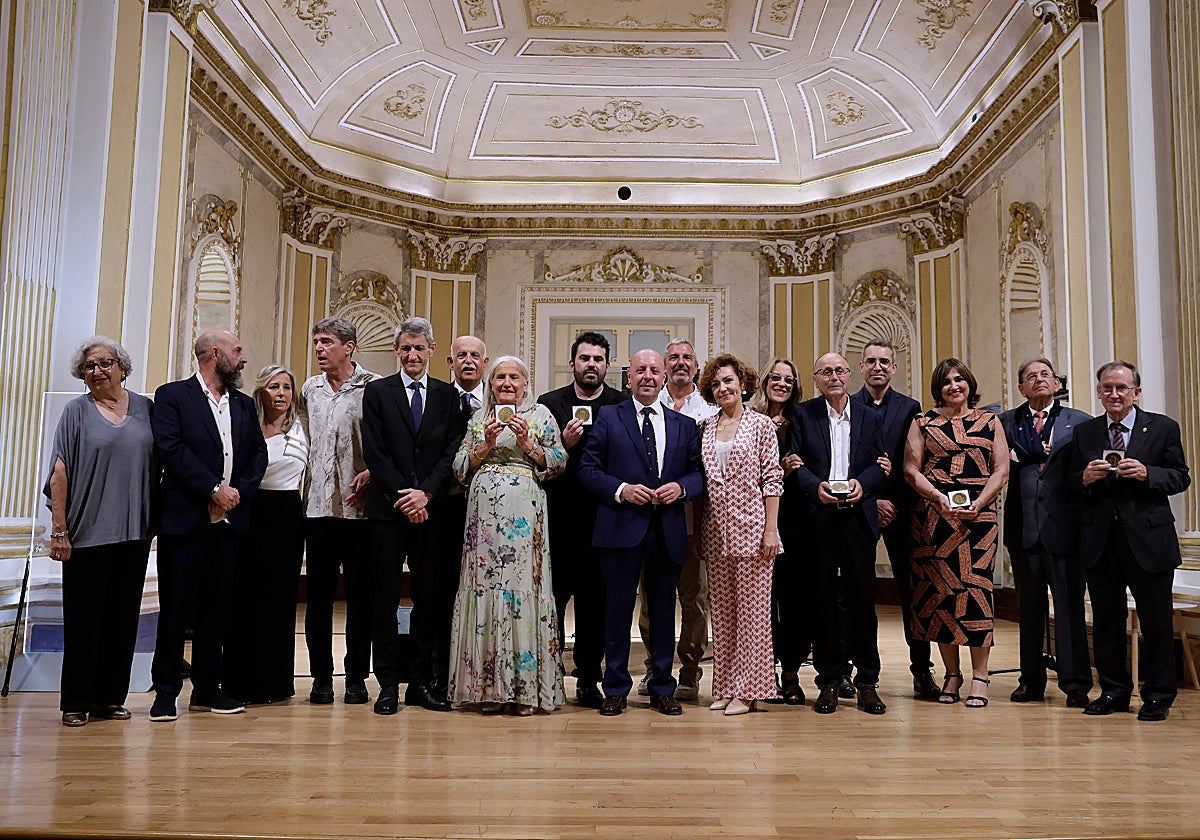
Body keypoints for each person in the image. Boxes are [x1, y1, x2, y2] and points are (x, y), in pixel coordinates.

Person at [578, 348, 705, 716]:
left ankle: (663, 687)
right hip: (620, 527)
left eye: (654, 370)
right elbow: (588, 469)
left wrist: (681, 488)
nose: (648, 376)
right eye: (640, 370)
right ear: (628, 377)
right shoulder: (608, 417)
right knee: (617, 611)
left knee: (664, 612)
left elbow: (698, 475)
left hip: (666, 529)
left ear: (664, 376)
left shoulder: (683, 425)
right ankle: (615, 688)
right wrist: (621, 490)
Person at [149, 329, 267, 722]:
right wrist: (213, 488)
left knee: (217, 609)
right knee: (176, 609)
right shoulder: (172, 396)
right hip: (186, 520)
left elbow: (257, 456)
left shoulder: (245, 404)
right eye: (237, 350)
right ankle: (165, 691)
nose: (243, 357)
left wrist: (238, 493)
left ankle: (206, 688)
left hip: (230, 523)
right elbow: (171, 449)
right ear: (215, 354)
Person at [1069, 360, 1191, 721]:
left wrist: (1147, 473)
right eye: (1107, 387)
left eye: (1122, 388)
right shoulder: (1086, 433)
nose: (1114, 394)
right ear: (1098, 392)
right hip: (1101, 540)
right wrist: (1085, 479)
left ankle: (1158, 695)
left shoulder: (1163, 428)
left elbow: (1180, 477)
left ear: (1136, 392)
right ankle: (1113, 691)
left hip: (1149, 540)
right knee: (1107, 621)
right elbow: (1070, 484)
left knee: (1156, 621)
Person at [44, 336, 156, 727]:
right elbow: (59, 472)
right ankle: (75, 701)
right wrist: (59, 530)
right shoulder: (76, 412)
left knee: (123, 620)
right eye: (89, 366)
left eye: (105, 363)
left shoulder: (146, 408)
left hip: (134, 532)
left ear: (122, 367)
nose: (97, 371)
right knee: (84, 621)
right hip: (87, 533)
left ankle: (109, 698)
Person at [448, 356, 567, 714]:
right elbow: (457, 467)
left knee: (522, 590)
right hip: (483, 518)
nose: (507, 383)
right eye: (500, 377)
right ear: (491, 382)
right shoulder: (478, 419)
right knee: (484, 588)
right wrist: (482, 447)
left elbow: (560, 460)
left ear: (526, 383)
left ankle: (524, 691)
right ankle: (487, 690)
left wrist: (528, 444)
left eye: (514, 377)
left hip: (525, 514)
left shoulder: (541, 415)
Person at [362, 317, 467, 714]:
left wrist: (426, 494)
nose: (412, 355)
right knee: (385, 599)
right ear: (397, 351)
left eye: (419, 348)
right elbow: (375, 451)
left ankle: (420, 683)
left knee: (429, 599)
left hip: (432, 511)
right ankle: (388, 683)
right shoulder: (377, 392)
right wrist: (405, 496)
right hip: (388, 512)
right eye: (405, 348)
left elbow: (451, 454)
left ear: (432, 351)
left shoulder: (447, 396)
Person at [903, 358, 1009, 709]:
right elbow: (910, 470)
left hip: (978, 520)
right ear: (939, 387)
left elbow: (1001, 469)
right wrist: (936, 496)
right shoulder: (923, 422)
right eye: (947, 381)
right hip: (935, 518)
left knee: (976, 593)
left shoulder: (989, 421)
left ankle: (980, 675)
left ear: (969, 383)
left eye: (960, 379)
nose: (954, 386)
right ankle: (952, 674)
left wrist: (979, 502)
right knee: (941, 594)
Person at [787, 353, 888, 715]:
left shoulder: (871, 416)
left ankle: (866, 682)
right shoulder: (804, 414)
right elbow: (794, 463)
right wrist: (816, 488)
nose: (834, 377)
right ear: (815, 378)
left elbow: (881, 463)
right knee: (822, 600)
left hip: (858, 518)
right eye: (826, 371)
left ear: (849, 375)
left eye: (840, 371)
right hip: (820, 518)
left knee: (862, 601)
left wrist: (864, 483)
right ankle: (828, 680)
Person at [537, 331, 626, 707]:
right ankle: (547, 676)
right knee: (553, 603)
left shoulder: (620, 405)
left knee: (595, 607)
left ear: (607, 366)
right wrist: (564, 446)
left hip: (603, 520)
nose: (591, 365)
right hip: (557, 520)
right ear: (572, 363)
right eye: (585, 358)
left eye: (598, 359)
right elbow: (539, 457)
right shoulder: (549, 403)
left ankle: (589, 678)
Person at [998, 357, 1092, 708]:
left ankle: (1076, 682)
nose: (1038, 380)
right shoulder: (1006, 422)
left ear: (1056, 383)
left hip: (1066, 530)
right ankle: (1031, 680)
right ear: (1020, 387)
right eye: (1030, 377)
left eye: (1045, 375)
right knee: (1029, 609)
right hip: (1024, 530)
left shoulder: (1079, 423)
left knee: (1069, 608)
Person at [697, 355, 783, 716]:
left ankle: (749, 690)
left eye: (729, 381)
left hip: (753, 532)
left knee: (753, 616)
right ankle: (727, 684)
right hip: (716, 533)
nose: (723, 389)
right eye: (716, 384)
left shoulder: (761, 425)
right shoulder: (705, 426)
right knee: (723, 614)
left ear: (743, 384)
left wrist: (771, 530)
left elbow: (773, 479)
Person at [302, 317, 381, 706]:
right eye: (316, 342)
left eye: (327, 342)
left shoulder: (373, 387)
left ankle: (355, 678)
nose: (319, 348)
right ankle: (319, 678)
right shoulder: (309, 389)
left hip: (359, 511)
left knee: (360, 598)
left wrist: (373, 471)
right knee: (317, 598)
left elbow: (385, 443)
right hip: (318, 510)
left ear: (348, 347)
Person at [849, 340, 935, 699]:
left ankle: (921, 669)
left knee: (911, 592)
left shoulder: (911, 408)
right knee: (855, 591)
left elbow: (912, 463)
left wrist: (891, 501)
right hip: (857, 509)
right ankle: (854, 670)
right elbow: (847, 461)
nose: (878, 367)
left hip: (901, 511)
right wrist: (872, 498)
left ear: (895, 367)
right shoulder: (847, 405)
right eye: (871, 361)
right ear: (861, 366)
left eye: (885, 361)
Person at [634, 338, 718, 701]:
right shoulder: (649, 404)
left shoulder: (712, 409)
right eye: (674, 358)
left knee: (695, 599)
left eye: (688, 357)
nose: (681, 363)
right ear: (664, 367)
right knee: (652, 599)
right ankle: (655, 665)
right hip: (651, 521)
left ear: (697, 367)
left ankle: (689, 669)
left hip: (695, 521)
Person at [224, 364, 308, 705]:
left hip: (286, 514)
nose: (281, 394)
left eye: (287, 388)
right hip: (250, 509)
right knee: (243, 597)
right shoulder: (246, 427)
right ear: (262, 391)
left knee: (279, 599)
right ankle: (239, 680)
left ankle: (275, 682)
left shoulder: (303, 428)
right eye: (274, 387)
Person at [748, 357, 808, 704]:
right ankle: (762, 674)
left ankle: (792, 674)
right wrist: (778, 471)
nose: (782, 384)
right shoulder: (750, 420)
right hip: (759, 521)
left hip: (796, 521)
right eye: (776, 377)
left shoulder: (802, 419)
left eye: (789, 379)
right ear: (765, 381)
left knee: (794, 602)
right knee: (763, 604)